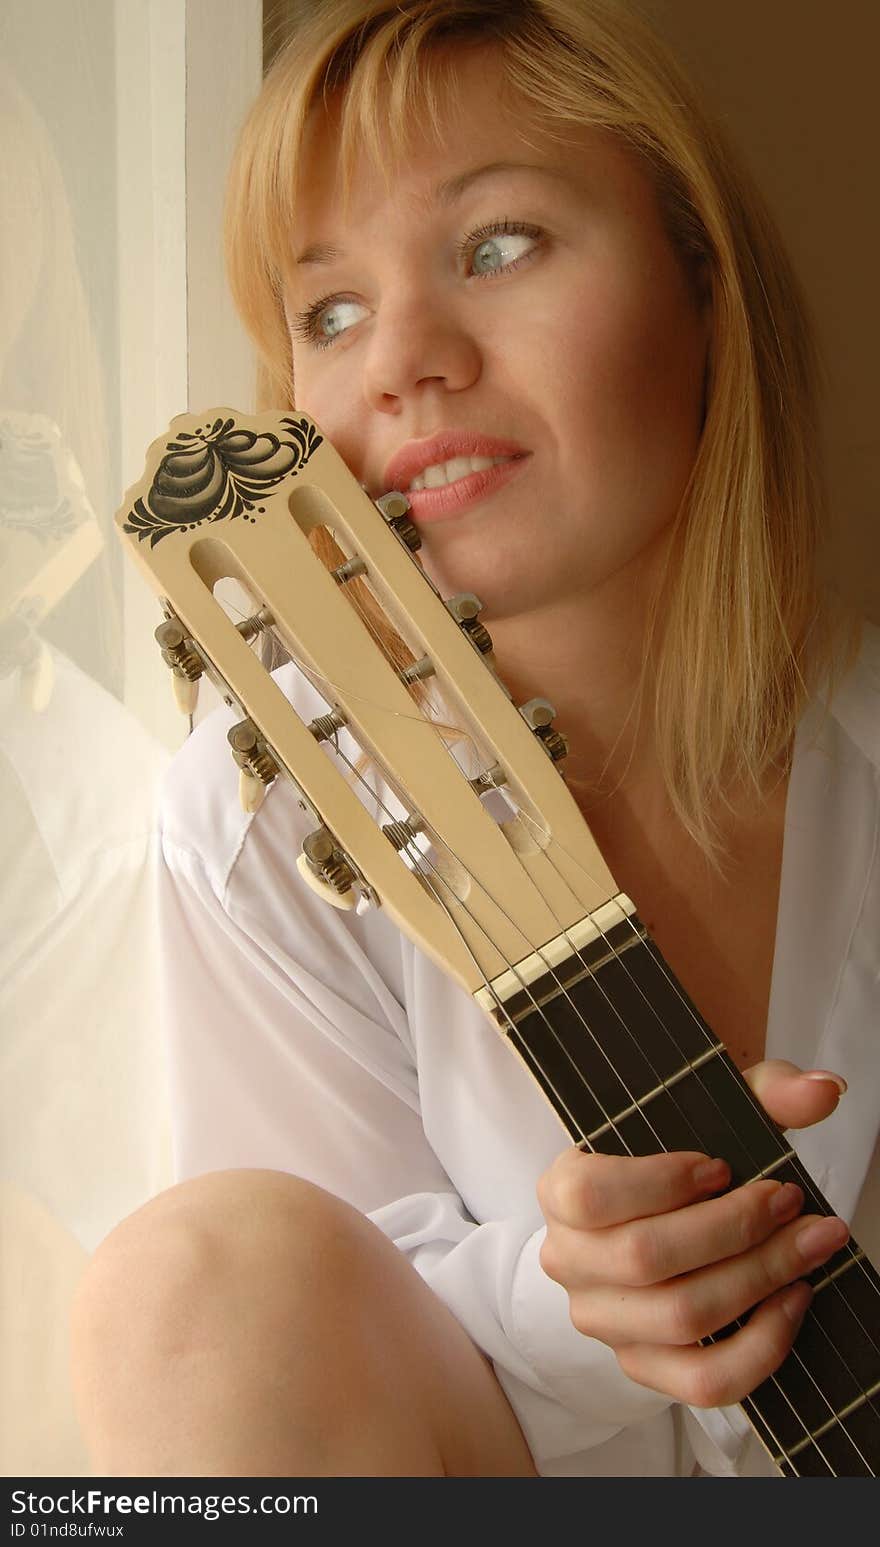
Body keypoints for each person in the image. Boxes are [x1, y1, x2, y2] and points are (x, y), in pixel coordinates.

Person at [70, 0, 878, 1478]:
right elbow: (308, 1322)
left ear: (703, 286)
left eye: (495, 247)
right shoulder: (267, 823)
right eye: (328, 312)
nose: (402, 363)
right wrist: (568, 1294)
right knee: (186, 1289)